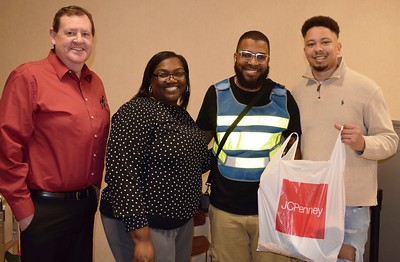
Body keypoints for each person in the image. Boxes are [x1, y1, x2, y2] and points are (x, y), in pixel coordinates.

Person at [0, 5, 110, 262]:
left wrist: (93, 193)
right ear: (53, 36)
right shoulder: (28, 77)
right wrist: (23, 209)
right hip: (43, 209)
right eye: (70, 32)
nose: (79, 40)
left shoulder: (95, 83)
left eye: (86, 34)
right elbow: (7, 145)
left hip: (83, 206)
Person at [292, 16, 399, 262]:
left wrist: (363, 144)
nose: (318, 49)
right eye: (311, 44)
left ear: (338, 46)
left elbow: (391, 141)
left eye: (325, 42)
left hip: (350, 205)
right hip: (309, 203)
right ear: (305, 49)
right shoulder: (296, 93)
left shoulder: (366, 88)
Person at [196, 30, 301, 262]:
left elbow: (296, 154)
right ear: (235, 56)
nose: (253, 62)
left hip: (272, 212)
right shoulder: (216, 94)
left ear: (268, 60)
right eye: (246, 54)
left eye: (260, 56)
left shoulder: (284, 99)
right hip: (226, 211)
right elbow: (198, 146)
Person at [100, 51, 210, 262]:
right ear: (150, 80)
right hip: (146, 224)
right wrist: (141, 238)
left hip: (179, 222)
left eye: (179, 73)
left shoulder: (181, 114)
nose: (172, 79)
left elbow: (197, 162)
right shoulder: (136, 111)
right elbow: (122, 174)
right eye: (163, 74)